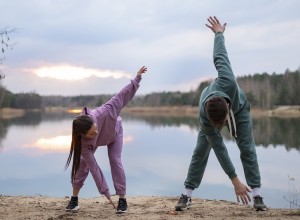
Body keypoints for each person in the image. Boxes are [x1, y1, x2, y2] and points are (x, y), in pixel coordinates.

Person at [175, 16, 267, 211]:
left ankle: (257, 195)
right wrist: (235, 180)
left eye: (221, 124)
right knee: (201, 151)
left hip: (240, 109)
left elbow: (220, 56)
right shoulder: (204, 115)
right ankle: (187, 194)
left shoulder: (228, 80)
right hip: (214, 114)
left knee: (247, 147)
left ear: (226, 113)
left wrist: (219, 34)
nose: (220, 128)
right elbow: (220, 149)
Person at [65, 66, 147, 214]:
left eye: (95, 128)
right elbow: (94, 169)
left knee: (115, 160)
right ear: (83, 135)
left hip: (115, 133)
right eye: (91, 133)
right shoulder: (83, 144)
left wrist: (137, 78)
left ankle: (122, 199)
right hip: (95, 142)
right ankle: (74, 199)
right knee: (83, 164)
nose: (96, 131)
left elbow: (123, 95)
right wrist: (106, 193)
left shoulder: (106, 111)